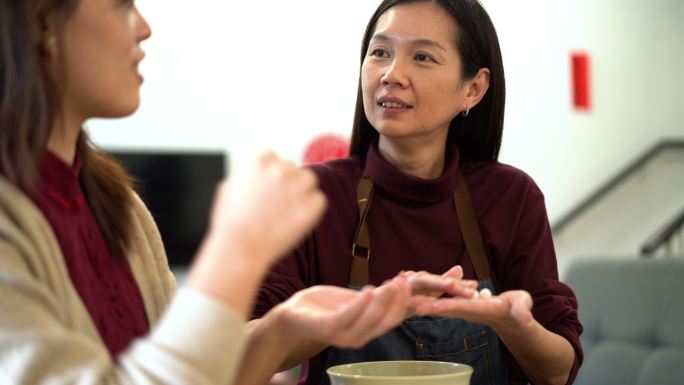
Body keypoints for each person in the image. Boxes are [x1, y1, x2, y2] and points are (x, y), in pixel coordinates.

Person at [0, 1, 415, 384]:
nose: (144, 28)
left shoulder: (117, 203)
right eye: (122, 4)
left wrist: (287, 326)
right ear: (42, 22)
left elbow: (188, 373)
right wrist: (235, 250)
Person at [253, 1, 584, 385]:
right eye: (380, 53)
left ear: (473, 89)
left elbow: (558, 372)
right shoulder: (309, 194)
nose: (392, 74)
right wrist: (329, 321)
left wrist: (513, 324)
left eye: (423, 56)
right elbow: (240, 356)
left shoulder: (511, 197)